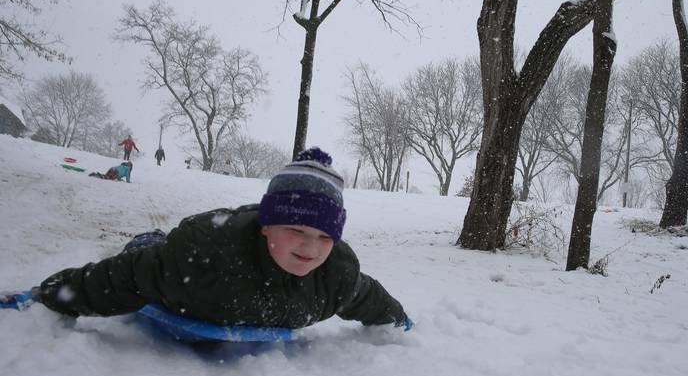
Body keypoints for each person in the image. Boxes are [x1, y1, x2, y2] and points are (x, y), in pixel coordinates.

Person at [21, 148, 411, 333]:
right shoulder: (203, 255)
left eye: (325, 237)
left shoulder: (335, 273)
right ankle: (148, 236)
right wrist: (51, 294)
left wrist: (399, 320)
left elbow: (366, 296)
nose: (311, 249)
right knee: (145, 252)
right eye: (296, 230)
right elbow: (123, 279)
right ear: (266, 225)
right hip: (180, 267)